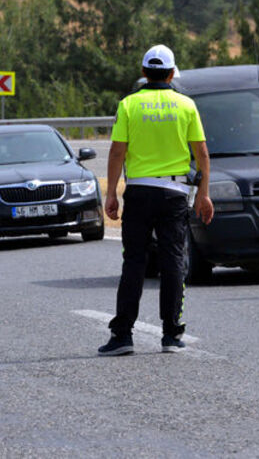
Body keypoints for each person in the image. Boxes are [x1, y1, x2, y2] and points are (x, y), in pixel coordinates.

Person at [98, 44, 214, 356]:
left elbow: (117, 151)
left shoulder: (129, 105)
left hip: (138, 192)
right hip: (174, 194)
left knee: (134, 262)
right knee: (173, 261)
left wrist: (111, 194)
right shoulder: (186, 105)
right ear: (173, 73)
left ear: (143, 72)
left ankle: (122, 335)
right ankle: (171, 334)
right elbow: (201, 153)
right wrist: (203, 194)